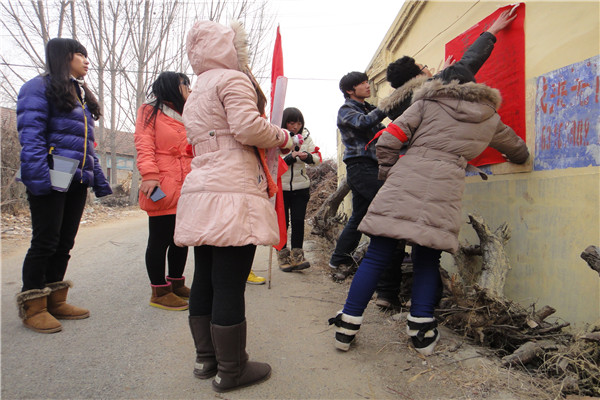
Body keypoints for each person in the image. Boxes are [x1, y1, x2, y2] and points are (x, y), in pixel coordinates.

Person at [329, 10, 526, 356]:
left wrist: (391, 176)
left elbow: (388, 141)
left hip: (405, 179)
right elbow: (517, 149)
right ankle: (421, 332)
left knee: (377, 255)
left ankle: (347, 326)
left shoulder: (426, 103)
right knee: (426, 259)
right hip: (444, 190)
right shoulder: (491, 120)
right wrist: (522, 159)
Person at [174, 20, 297, 392]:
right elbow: (246, 128)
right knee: (229, 282)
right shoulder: (232, 79)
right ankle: (232, 370)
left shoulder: (197, 90)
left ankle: (206, 359)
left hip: (203, 187)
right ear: (227, 48)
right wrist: (283, 136)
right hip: (233, 187)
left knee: (207, 277)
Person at [15, 38, 112, 334]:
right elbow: (31, 138)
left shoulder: (78, 92)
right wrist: (39, 178)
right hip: (50, 174)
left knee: (65, 241)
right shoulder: (37, 87)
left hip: (75, 177)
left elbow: (86, 146)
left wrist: (97, 179)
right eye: (81, 54)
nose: (86, 60)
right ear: (63, 56)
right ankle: (33, 304)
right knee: (46, 239)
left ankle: (55, 299)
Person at [134, 71, 193, 311]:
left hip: (188, 183)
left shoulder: (188, 113)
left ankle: (176, 284)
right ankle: (158, 291)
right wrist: (149, 175)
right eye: (184, 84)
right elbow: (144, 143)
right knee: (160, 239)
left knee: (182, 239)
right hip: (163, 181)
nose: (189, 88)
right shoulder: (149, 110)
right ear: (170, 86)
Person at [327, 71, 387, 281]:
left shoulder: (367, 108)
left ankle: (338, 259)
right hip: (360, 166)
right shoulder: (347, 110)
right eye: (362, 83)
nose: (367, 85)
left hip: (371, 164)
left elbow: (381, 129)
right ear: (349, 91)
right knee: (385, 205)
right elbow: (363, 123)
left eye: (366, 81)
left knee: (358, 216)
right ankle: (384, 261)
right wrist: (387, 105)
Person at [277, 107, 322, 272]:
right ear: (284, 123)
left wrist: (307, 157)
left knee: (297, 221)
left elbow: (317, 158)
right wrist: (291, 157)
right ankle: (282, 256)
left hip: (301, 186)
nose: (295, 126)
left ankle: (297, 256)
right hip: (280, 188)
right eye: (291, 122)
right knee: (282, 224)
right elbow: (273, 163)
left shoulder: (306, 138)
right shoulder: (276, 137)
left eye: (298, 122)